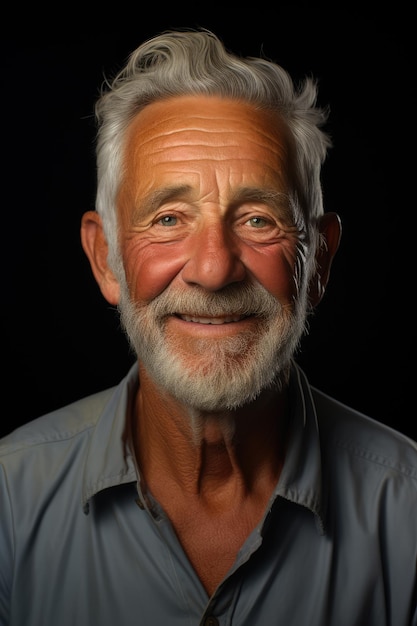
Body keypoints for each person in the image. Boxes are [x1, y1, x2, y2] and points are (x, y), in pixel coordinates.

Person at [0, 27, 416, 626]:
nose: (215, 268)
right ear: (106, 259)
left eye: (257, 218)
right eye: (168, 219)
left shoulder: (408, 513)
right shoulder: (11, 504)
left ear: (317, 263)